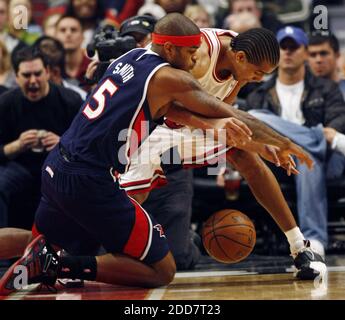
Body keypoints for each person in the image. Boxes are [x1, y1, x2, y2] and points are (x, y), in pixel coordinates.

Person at [0, 14, 322, 295]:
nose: (195, 59)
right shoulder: (179, 71)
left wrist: (245, 138)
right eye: (190, 52)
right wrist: (282, 142)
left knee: (41, 238)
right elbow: (213, 114)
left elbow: (195, 113)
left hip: (60, 164)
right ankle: (69, 263)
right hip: (119, 157)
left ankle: (298, 245)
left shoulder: (142, 57)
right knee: (159, 265)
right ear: (172, 49)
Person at [244, 26, 345, 257]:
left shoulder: (326, 88)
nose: (287, 52)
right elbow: (249, 134)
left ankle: (314, 243)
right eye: (283, 47)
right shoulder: (258, 93)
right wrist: (318, 136)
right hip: (275, 161)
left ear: (305, 53)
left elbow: (338, 121)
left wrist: (310, 146)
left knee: (307, 161)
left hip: (321, 162)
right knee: (256, 118)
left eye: (294, 47)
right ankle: (311, 141)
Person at [0, 46, 82, 231]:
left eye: (37, 74)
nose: (33, 81)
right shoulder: (6, 103)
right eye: (26, 75)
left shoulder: (69, 99)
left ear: (47, 72)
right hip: (20, 166)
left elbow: (86, 146)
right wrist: (17, 145)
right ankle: (3, 255)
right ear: (16, 76)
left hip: (59, 167)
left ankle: (74, 252)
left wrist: (61, 144)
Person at [308, 31, 345, 100]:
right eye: (313, 55)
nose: (318, 60)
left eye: (323, 53)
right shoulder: (302, 93)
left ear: (337, 55)